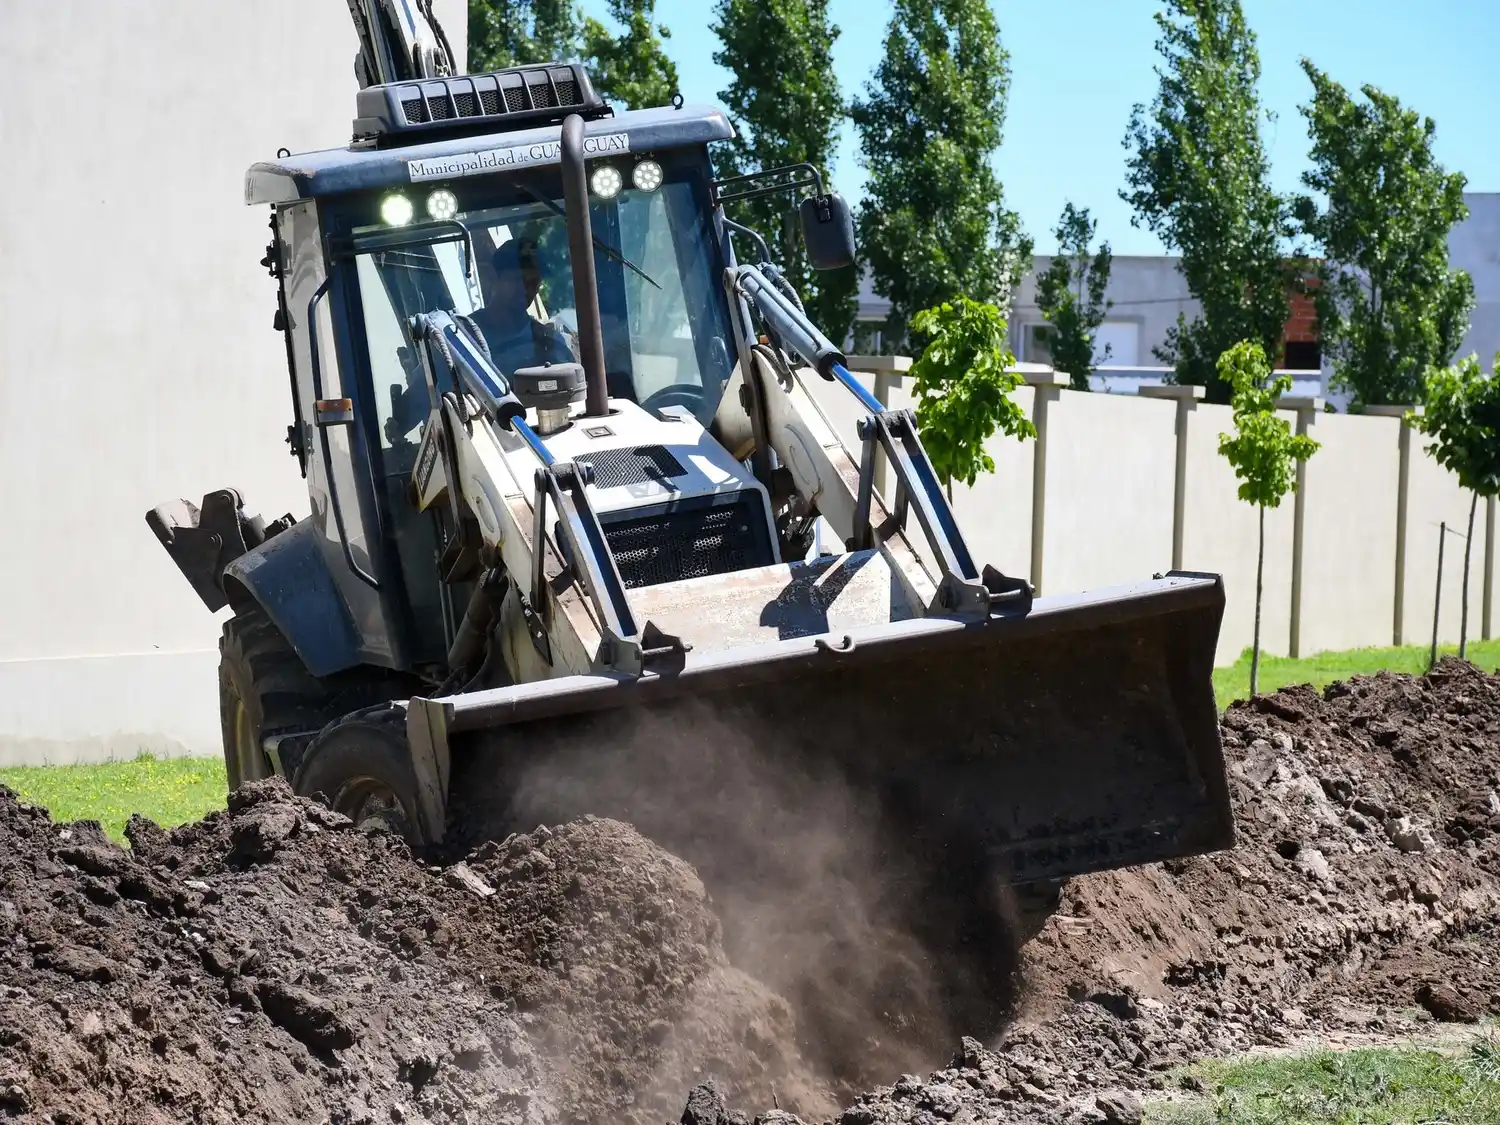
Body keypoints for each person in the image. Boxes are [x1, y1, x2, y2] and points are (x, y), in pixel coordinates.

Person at [470, 237, 578, 376]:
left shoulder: (551, 344)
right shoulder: (464, 338)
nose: (525, 289)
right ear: (494, 278)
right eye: (517, 280)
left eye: (533, 283)